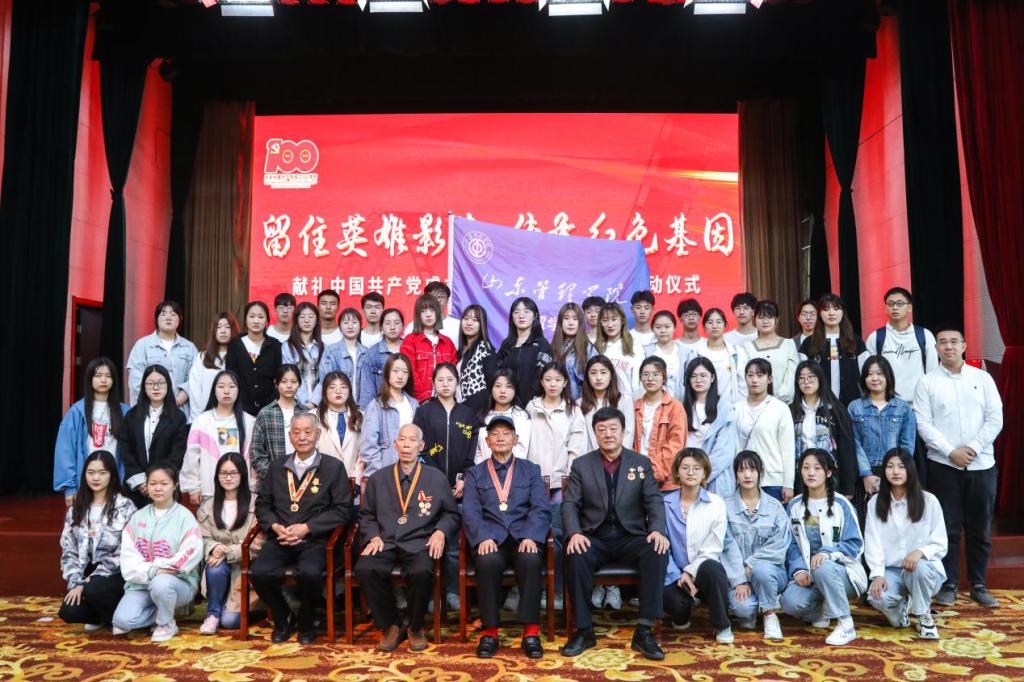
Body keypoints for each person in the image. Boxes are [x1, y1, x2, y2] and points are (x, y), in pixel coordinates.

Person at [561, 407, 669, 660]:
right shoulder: (582, 465)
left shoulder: (640, 463)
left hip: (630, 536)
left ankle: (645, 631)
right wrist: (574, 533)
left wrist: (657, 530)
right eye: (602, 430)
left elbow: (653, 500)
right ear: (595, 433)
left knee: (657, 550)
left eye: (613, 429)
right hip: (594, 537)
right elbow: (570, 504)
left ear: (623, 432)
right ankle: (584, 630)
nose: (608, 434)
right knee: (575, 554)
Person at [914, 324, 1003, 608]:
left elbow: (995, 418)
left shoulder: (982, 378)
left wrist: (973, 448)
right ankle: (948, 584)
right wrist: (951, 452)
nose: (948, 346)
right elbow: (923, 424)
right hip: (943, 465)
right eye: (943, 342)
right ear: (936, 348)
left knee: (980, 529)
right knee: (947, 528)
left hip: (982, 464)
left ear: (964, 346)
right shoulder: (927, 382)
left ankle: (978, 584)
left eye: (954, 341)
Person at [251, 412, 354, 644]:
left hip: (316, 541)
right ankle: (283, 616)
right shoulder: (277, 467)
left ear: (318, 434)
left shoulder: (333, 467)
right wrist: (275, 526)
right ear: (290, 436)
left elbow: (343, 510)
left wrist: (307, 528)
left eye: (308, 432)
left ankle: (307, 620)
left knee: (310, 573)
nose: (302, 437)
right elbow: (263, 504)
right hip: (281, 538)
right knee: (258, 573)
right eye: (296, 432)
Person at [355, 423, 459, 652]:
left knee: (421, 571)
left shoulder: (436, 478)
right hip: (385, 541)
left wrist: (440, 531)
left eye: (412, 440)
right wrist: (373, 536)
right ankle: (391, 624)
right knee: (365, 568)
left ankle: (415, 625)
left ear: (421, 446)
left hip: (419, 541)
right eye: (402, 440)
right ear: (395, 445)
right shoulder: (378, 478)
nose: (406, 445)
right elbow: (366, 515)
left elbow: (451, 513)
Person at [462, 416, 551, 659]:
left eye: (506, 433)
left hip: (524, 535)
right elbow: (470, 511)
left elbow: (540, 507)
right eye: (495, 434)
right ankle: (490, 632)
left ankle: (530, 632)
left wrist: (532, 536)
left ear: (516, 439)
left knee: (531, 559)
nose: (500, 438)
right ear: (487, 441)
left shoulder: (530, 470)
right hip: (491, 537)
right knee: (487, 561)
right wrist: (482, 537)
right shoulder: (475, 473)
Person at [781, 449, 866, 647]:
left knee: (823, 566)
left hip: (843, 574)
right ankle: (824, 609)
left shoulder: (841, 504)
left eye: (817, 468)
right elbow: (790, 544)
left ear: (828, 473)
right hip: (810, 576)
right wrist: (799, 569)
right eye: (806, 468)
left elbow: (855, 543)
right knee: (789, 602)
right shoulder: (794, 506)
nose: (811, 473)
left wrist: (827, 554)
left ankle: (846, 623)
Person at [112, 463, 203, 642]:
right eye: (153, 483)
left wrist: (160, 570)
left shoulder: (185, 517)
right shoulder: (138, 518)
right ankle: (163, 610)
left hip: (177, 583)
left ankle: (166, 623)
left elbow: (189, 554)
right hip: (142, 584)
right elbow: (128, 560)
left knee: (161, 584)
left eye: (164, 483)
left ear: (175, 485)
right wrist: (153, 570)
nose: (158, 488)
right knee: (121, 622)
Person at [865, 448, 947, 639]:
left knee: (918, 568)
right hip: (892, 571)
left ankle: (923, 615)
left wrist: (920, 552)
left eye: (901, 467)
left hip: (924, 571)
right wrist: (877, 574)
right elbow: (872, 542)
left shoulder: (929, 501)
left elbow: (940, 542)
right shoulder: (875, 503)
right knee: (877, 597)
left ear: (910, 470)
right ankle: (901, 609)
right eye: (890, 466)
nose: (895, 472)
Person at [527, 361, 586, 610]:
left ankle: (558, 590)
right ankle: (534, 589)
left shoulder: (573, 410)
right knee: (534, 536)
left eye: (557, 380)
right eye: (548, 379)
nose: (552, 384)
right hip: (534, 483)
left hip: (561, 483)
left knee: (560, 538)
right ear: (542, 382)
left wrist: (569, 476)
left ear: (565, 383)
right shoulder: (531, 408)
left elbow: (577, 446)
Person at [58, 451, 136, 633]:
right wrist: (76, 582)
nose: (96, 478)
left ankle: (123, 618)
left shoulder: (125, 506)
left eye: (102, 473)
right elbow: (69, 551)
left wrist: (88, 582)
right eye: (91, 472)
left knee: (94, 589)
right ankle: (105, 617)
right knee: (68, 611)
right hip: (87, 575)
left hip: (116, 573)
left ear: (112, 475)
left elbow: (126, 550)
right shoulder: (75, 509)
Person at [662, 448, 732, 643]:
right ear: (677, 472)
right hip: (674, 575)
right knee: (678, 608)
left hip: (702, 570)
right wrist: (679, 575)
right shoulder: (664, 504)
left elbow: (713, 546)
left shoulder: (716, 504)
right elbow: (662, 546)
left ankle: (722, 625)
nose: (691, 472)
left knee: (713, 568)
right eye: (685, 467)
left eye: (696, 468)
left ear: (704, 473)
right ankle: (684, 610)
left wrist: (690, 572)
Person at [722, 451, 791, 640]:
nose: (747, 475)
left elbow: (780, 543)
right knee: (744, 609)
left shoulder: (775, 507)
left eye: (752, 470)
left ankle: (770, 614)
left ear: (760, 473)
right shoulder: (725, 507)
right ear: (735, 474)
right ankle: (755, 606)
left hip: (770, 574)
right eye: (741, 470)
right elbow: (726, 546)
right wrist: (740, 580)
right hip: (737, 576)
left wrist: (751, 564)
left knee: (761, 570)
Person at [197, 452, 261, 634]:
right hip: (218, 565)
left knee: (230, 622)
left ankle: (254, 609)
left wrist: (228, 552)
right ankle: (212, 614)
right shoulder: (207, 506)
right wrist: (214, 548)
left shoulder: (256, 503)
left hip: (246, 567)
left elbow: (258, 542)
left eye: (233, 473)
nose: (228, 478)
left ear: (243, 474)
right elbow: (201, 538)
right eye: (223, 473)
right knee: (214, 566)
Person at [847, 356, 917, 521]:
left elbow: (907, 446)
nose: (874, 378)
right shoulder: (854, 407)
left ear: (888, 376)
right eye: (869, 374)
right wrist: (866, 474)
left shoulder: (903, 408)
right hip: (864, 474)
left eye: (879, 373)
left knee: (894, 521)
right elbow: (854, 444)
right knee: (866, 523)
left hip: (895, 472)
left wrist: (897, 470)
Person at [54, 357, 129, 506]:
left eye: (108, 376)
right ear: (90, 378)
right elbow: (65, 450)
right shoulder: (77, 411)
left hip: (117, 482)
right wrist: (69, 487)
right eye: (98, 375)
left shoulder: (125, 412)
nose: (103, 380)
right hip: (85, 483)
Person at [181, 370, 256, 504]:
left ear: (239, 390)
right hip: (209, 490)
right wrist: (193, 487)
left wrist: (254, 486)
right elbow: (191, 456)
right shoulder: (202, 421)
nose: (226, 391)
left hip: (242, 492)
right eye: (221, 386)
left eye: (232, 386)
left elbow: (254, 458)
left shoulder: (250, 422)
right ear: (214, 391)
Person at [120, 365, 189, 507]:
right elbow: (126, 451)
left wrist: (157, 481)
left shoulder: (178, 417)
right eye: (150, 383)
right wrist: (141, 482)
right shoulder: (131, 416)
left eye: (161, 383)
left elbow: (177, 454)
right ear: (144, 387)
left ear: (168, 385)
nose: (156, 387)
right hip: (137, 490)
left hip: (166, 488)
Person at [790, 361, 857, 499]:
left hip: (830, 476)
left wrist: (848, 487)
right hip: (800, 477)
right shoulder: (791, 411)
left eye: (811, 377)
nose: (806, 381)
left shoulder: (835, 409)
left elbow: (846, 449)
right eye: (801, 378)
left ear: (820, 378)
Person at [414, 363, 479, 499]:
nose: (445, 384)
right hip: (429, 483)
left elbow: (471, 454)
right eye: (440, 380)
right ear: (433, 383)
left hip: (460, 486)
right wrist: (437, 478)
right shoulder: (423, 412)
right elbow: (420, 450)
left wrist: (464, 478)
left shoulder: (467, 415)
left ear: (457, 382)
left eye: (450, 379)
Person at [734, 358, 795, 502]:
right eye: (750, 375)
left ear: (769, 379)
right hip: (744, 478)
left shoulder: (780, 408)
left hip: (773, 481)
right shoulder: (736, 408)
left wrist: (788, 483)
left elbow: (788, 449)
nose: (754, 380)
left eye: (760, 375)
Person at [864, 287, 938, 403]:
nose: (894, 307)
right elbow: (869, 373)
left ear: (909, 307)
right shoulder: (875, 337)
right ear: (885, 308)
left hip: (919, 403)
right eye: (890, 304)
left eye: (900, 303)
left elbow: (932, 372)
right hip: (887, 403)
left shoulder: (925, 335)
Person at [125, 300, 197, 414]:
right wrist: (156, 403)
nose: (168, 317)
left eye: (173, 314)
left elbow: (194, 379)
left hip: (181, 411)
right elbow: (136, 379)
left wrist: (177, 401)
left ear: (180, 319)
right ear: (156, 319)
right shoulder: (142, 345)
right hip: (150, 411)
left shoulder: (189, 348)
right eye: (163, 314)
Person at [799, 293, 869, 407]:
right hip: (818, 404)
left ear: (843, 312)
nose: (831, 313)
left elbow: (866, 372)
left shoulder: (855, 341)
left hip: (851, 404)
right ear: (820, 314)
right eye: (826, 309)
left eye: (836, 309)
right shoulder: (809, 343)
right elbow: (801, 375)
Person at [681, 357, 737, 497]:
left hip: (714, 478)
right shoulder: (681, 407)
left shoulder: (724, 408)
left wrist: (701, 476)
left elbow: (724, 453)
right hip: (687, 475)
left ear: (712, 378)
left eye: (703, 375)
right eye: (693, 376)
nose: (698, 380)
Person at [633, 356, 687, 491]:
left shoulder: (675, 407)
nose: (650, 379)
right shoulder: (634, 407)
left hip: (666, 481)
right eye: (645, 374)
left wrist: (653, 472)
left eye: (656, 374)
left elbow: (675, 445)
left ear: (664, 377)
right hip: (635, 476)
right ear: (640, 378)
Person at [361, 353, 419, 478]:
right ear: (387, 373)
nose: (400, 376)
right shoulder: (376, 406)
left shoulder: (414, 405)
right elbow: (368, 446)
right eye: (395, 371)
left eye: (405, 372)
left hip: (411, 473)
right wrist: (379, 476)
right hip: (384, 473)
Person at [249, 365, 309, 483]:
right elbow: (256, 452)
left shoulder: (306, 413)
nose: (289, 386)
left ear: (299, 384)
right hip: (273, 481)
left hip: (303, 479)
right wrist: (274, 475)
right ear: (276, 384)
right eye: (284, 381)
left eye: (294, 381)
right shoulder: (265, 413)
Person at [225, 301, 283, 416]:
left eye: (261, 317)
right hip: (241, 408)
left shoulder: (275, 346)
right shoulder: (235, 345)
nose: (256, 321)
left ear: (267, 321)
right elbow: (230, 376)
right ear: (245, 320)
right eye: (252, 316)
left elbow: (279, 377)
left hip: (270, 409)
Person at [496, 297, 554, 409]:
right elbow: (497, 374)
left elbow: (544, 376)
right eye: (516, 312)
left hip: (534, 406)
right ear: (512, 317)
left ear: (535, 316)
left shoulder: (541, 344)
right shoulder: (506, 345)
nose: (521, 316)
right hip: (506, 405)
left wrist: (531, 403)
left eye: (526, 312)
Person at [401, 294, 458, 404]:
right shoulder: (410, 340)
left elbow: (453, 374)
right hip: (417, 402)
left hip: (445, 401)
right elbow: (410, 372)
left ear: (438, 313)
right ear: (418, 315)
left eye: (432, 310)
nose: (428, 314)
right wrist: (424, 398)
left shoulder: (448, 343)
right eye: (423, 311)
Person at [739, 300, 800, 404]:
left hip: (785, 404)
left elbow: (791, 375)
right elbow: (743, 377)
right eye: (761, 317)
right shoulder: (747, 347)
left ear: (777, 320)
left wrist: (777, 400)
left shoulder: (788, 344)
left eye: (770, 317)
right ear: (754, 320)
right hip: (755, 404)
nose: (765, 321)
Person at [186, 312, 239, 422]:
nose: (223, 331)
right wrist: (198, 418)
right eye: (219, 327)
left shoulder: (239, 357)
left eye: (227, 327)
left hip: (232, 417)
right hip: (204, 417)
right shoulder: (202, 357)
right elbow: (195, 388)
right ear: (214, 331)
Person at [580, 355, 635, 453]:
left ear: (611, 376)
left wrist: (621, 457)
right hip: (589, 458)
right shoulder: (579, 404)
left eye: (603, 372)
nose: (598, 378)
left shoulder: (624, 400)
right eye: (593, 373)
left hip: (618, 457)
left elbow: (628, 433)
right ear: (587, 377)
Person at [475, 369, 531, 463]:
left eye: (508, 386)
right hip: (484, 470)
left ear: (515, 390)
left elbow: (522, 451)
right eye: (498, 386)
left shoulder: (522, 417)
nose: (502, 391)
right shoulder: (483, 416)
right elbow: (477, 451)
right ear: (491, 388)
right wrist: (484, 469)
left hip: (513, 470)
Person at [316, 371, 363, 481]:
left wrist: (355, 477)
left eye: (343, 387)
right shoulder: (314, 416)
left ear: (349, 390)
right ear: (325, 391)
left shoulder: (360, 416)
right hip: (322, 479)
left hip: (352, 479)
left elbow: (364, 451)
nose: (338, 391)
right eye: (332, 387)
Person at [319, 307, 367, 405]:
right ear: (339, 326)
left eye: (354, 322)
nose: (350, 326)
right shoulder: (331, 351)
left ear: (360, 325)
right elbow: (325, 381)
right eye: (345, 323)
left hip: (362, 406)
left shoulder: (367, 352)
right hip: (337, 404)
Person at [359, 307, 405, 409]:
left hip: (406, 407)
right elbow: (367, 390)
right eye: (388, 323)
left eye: (396, 323)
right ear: (381, 327)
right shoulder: (372, 353)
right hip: (381, 408)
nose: (392, 327)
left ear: (402, 326)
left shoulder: (410, 349)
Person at [595, 302, 642, 400]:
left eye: (614, 319)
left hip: (629, 401)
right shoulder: (596, 348)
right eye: (605, 320)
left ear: (622, 321)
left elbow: (638, 382)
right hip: (603, 402)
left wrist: (637, 403)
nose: (610, 325)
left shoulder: (635, 346)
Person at [281, 302, 323, 409]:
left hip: (319, 406)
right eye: (302, 317)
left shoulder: (323, 347)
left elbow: (324, 378)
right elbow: (289, 377)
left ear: (316, 320)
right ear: (296, 320)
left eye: (311, 316)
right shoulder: (287, 347)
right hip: (295, 404)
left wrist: (314, 402)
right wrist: (304, 403)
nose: (307, 320)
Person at [643, 310, 694, 401]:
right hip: (652, 403)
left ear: (674, 328)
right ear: (652, 329)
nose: (663, 331)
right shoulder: (645, 352)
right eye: (658, 327)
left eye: (667, 327)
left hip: (680, 404)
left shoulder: (686, 353)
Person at [456, 304, 497, 415]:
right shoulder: (460, 350)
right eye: (466, 318)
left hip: (477, 409)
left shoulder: (484, 347)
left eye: (475, 320)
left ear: (481, 324)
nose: (469, 323)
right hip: (461, 407)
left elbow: (492, 381)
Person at [696, 308, 743, 403]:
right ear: (704, 326)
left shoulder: (736, 352)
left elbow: (742, 383)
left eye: (719, 322)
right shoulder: (697, 353)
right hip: (704, 405)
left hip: (731, 406)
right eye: (710, 322)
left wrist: (741, 406)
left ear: (725, 325)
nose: (714, 326)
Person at [551, 302, 592, 400]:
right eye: (566, 318)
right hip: (555, 401)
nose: (571, 323)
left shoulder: (588, 348)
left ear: (580, 323)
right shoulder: (553, 347)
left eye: (575, 319)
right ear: (560, 322)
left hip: (580, 402)